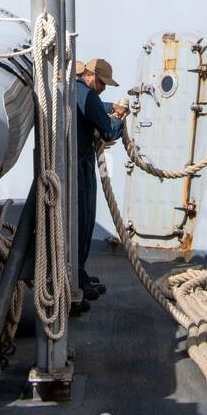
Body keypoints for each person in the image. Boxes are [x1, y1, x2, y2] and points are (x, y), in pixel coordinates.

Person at [75, 57, 128, 304]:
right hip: (79, 166)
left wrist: (109, 107)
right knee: (83, 221)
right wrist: (120, 119)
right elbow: (108, 131)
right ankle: (76, 280)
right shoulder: (87, 95)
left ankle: (78, 275)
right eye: (102, 82)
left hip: (73, 163)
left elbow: (95, 106)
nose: (104, 87)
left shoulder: (75, 90)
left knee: (79, 222)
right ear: (91, 77)